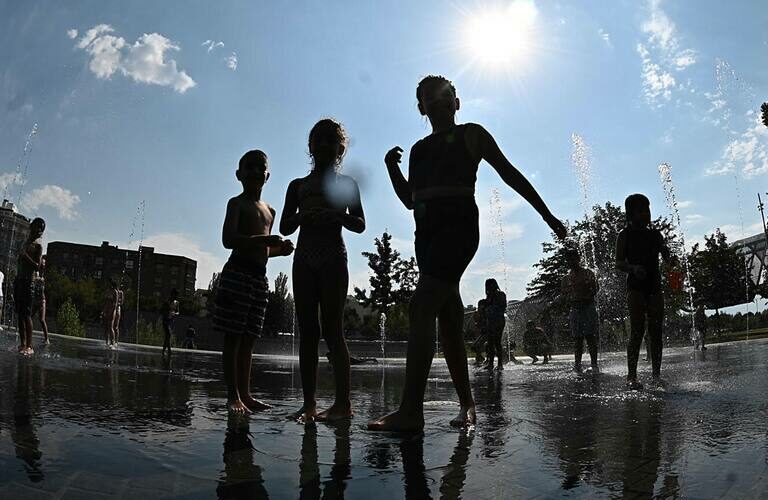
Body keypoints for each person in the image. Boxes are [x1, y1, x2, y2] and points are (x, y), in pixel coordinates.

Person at [368, 75, 566, 432]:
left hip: (458, 230)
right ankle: (468, 405)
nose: (439, 101)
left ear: (456, 102)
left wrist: (546, 214)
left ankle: (411, 411)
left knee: (421, 306)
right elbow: (410, 199)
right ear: (421, 107)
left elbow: (510, 174)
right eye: (430, 97)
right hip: (425, 237)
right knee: (449, 323)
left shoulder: (472, 134)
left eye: (445, 95)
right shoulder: (419, 150)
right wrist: (391, 168)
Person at [280, 118, 365, 423]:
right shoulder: (297, 186)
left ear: (340, 148)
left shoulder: (346, 185)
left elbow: (359, 224)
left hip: (333, 258)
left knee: (332, 330)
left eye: (332, 140)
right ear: (310, 146)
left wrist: (335, 217)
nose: (325, 145)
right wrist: (303, 216)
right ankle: (309, 403)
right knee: (307, 332)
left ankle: (343, 404)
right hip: (304, 259)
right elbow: (285, 225)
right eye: (319, 140)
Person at [213, 149, 294, 414]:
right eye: (249, 167)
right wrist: (264, 241)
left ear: (267, 175)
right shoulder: (236, 204)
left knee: (249, 338)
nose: (255, 172)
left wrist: (280, 250)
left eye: (260, 168)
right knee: (233, 338)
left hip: (259, 280)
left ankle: (246, 394)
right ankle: (232, 395)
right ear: (239, 174)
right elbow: (229, 240)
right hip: (237, 274)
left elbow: (263, 249)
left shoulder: (270, 210)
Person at [615, 193, 676, 390]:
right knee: (637, 331)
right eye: (641, 210)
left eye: (648, 209)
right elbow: (618, 263)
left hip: (654, 285)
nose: (645, 214)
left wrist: (670, 259)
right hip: (635, 287)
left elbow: (666, 253)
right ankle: (631, 376)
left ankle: (656, 375)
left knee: (656, 331)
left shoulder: (655, 234)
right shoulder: (624, 235)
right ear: (630, 213)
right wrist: (633, 268)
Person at [561, 247, 599, 373]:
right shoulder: (566, 278)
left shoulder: (588, 273)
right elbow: (564, 295)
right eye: (568, 260)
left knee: (590, 337)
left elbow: (596, 288)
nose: (571, 262)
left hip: (588, 307)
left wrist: (588, 293)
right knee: (577, 339)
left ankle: (594, 365)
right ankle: (577, 365)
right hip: (575, 309)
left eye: (573, 259)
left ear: (578, 259)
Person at [15, 217, 45, 355]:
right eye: (35, 227)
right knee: (19, 314)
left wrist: (25, 256)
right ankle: (22, 344)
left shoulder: (38, 245)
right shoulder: (25, 242)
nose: (38, 231)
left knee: (26, 314)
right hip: (19, 280)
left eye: (40, 229)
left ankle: (29, 346)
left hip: (29, 282)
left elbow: (37, 266)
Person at [483, 279, 507, 371]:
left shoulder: (500, 294)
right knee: (490, 343)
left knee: (497, 342)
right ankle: (491, 363)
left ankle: (500, 364)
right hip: (491, 320)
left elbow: (503, 306)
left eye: (490, 285)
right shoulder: (489, 296)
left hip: (498, 320)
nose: (489, 288)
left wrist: (490, 306)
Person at [31, 256, 50, 345]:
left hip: (42, 300)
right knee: (29, 318)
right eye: (41, 263)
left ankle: (47, 339)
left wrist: (37, 278)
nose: (42, 265)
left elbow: (40, 280)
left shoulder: (45, 275)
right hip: (35, 300)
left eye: (44, 264)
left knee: (42, 320)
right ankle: (28, 335)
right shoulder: (36, 272)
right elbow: (34, 279)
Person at [160, 288, 180, 357]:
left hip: (171, 321)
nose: (175, 297)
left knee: (167, 336)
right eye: (174, 295)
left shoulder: (177, 303)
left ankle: (163, 350)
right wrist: (166, 312)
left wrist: (175, 314)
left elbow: (178, 312)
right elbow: (162, 310)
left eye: (176, 296)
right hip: (165, 320)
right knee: (168, 335)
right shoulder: (167, 301)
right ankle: (169, 351)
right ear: (171, 295)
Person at [101, 279, 118, 347]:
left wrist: (112, 311)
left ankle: (112, 342)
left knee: (111, 326)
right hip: (106, 310)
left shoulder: (115, 292)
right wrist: (103, 311)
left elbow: (115, 303)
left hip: (112, 310)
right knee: (106, 327)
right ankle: (106, 342)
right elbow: (105, 301)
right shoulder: (107, 291)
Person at [472, 298, 488, 367]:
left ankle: (483, 359)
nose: (479, 309)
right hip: (484, 333)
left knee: (479, 346)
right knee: (474, 346)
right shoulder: (480, 314)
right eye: (478, 307)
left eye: (480, 307)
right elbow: (478, 326)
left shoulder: (487, 314)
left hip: (489, 333)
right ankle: (480, 358)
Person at [113, 280, 124, 344]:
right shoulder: (113, 292)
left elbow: (121, 302)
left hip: (117, 308)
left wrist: (117, 303)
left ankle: (116, 341)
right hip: (113, 308)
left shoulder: (120, 293)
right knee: (111, 325)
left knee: (116, 326)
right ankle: (112, 340)